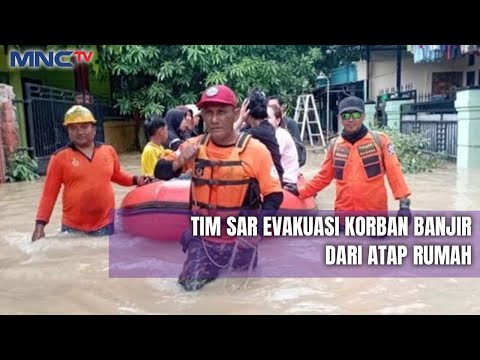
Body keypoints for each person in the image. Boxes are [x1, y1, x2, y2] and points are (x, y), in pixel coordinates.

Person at [154, 85, 283, 291]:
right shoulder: (194, 146)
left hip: (242, 241)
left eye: (221, 112)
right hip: (204, 240)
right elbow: (160, 172)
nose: (214, 120)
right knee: (188, 290)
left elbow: (274, 196)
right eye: (208, 112)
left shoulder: (256, 150)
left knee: (245, 296)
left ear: (235, 113)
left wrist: (254, 230)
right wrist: (178, 163)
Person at [31, 105, 150, 241]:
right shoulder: (59, 158)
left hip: (106, 224)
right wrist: (40, 226)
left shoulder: (108, 151)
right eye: (73, 128)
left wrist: (136, 179)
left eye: (84, 126)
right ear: (68, 132)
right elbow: (49, 195)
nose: (79, 132)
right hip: (73, 227)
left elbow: (117, 175)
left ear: (93, 129)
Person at [287, 96, 412, 218]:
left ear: (363, 116)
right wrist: (301, 191)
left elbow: (394, 172)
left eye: (356, 115)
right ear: (340, 118)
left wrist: (404, 203)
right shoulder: (335, 145)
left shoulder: (380, 141)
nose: (351, 119)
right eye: (345, 115)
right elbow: (324, 177)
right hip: (343, 218)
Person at [235, 91, 284, 184]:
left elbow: (228, 136)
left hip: (271, 182)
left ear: (247, 111)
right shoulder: (263, 126)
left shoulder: (260, 131)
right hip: (269, 177)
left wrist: (241, 118)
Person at [267, 95, 306, 167]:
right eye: (269, 107)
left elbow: (299, 152)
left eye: (274, 106)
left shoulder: (290, 123)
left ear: (282, 107)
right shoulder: (267, 126)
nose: (271, 109)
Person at [267, 104, 299, 187]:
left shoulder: (281, 135)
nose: (265, 121)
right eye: (263, 118)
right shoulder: (270, 134)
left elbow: (270, 159)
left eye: (268, 118)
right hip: (277, 178)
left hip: (286, 180)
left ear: (278, 120)